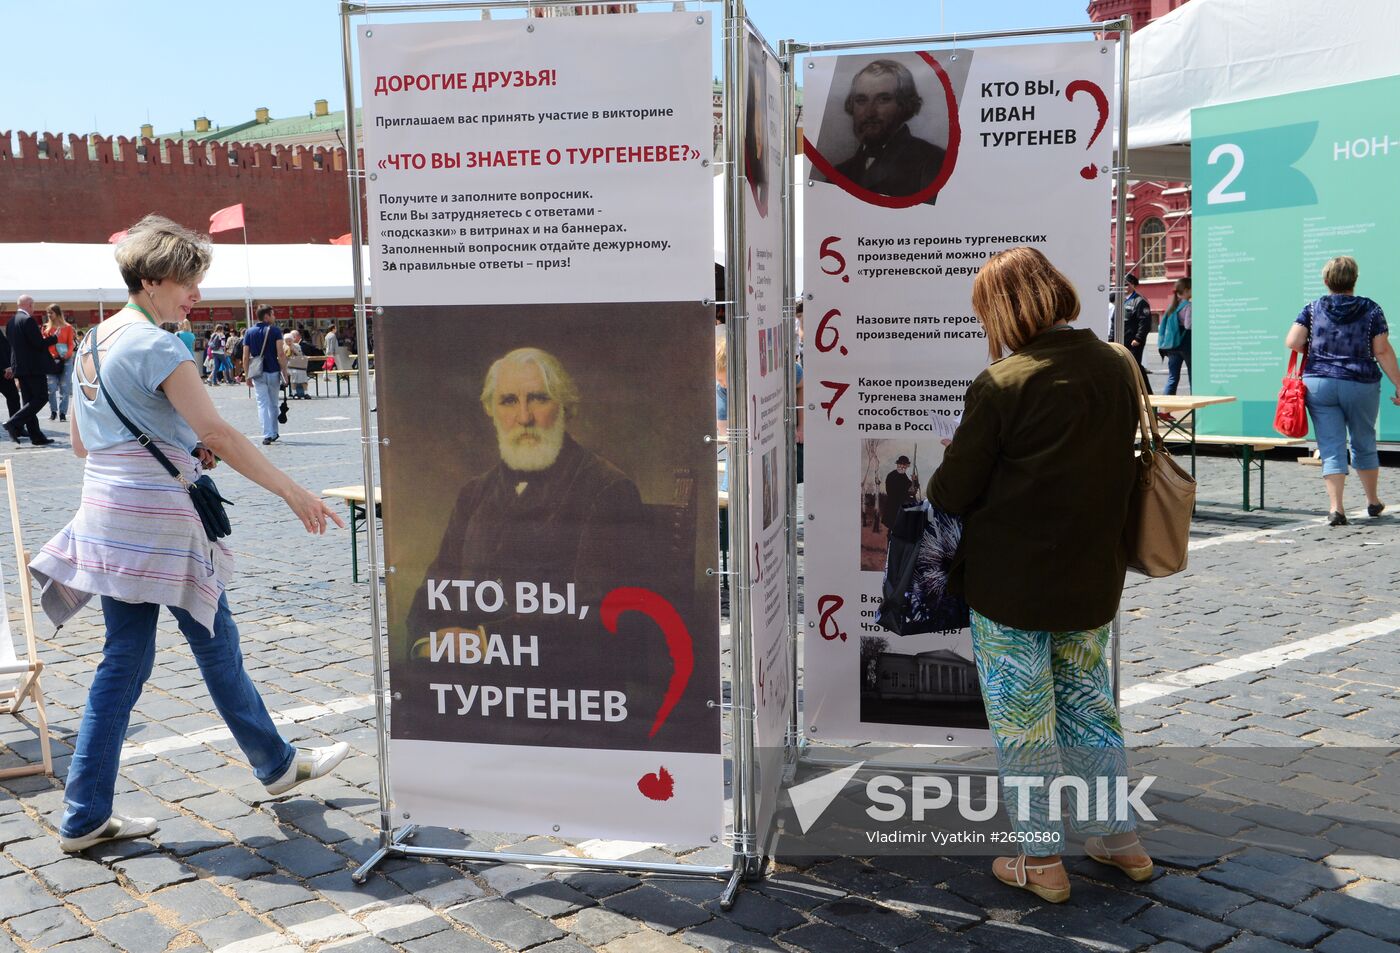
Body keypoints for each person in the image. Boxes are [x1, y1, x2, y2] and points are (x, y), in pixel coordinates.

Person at [26, 215, 348, 853]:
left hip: (107, 516)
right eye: (186, 283)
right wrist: (293, 491)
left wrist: (168, 444)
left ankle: (86, 813)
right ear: (151, 281)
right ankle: (276, 764)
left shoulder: (92, 340)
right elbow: (218, 433)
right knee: (209, 642)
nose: (196, 295)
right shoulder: (158, 346)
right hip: (158, 521)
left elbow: (84, 446)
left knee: (131, 657)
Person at [927, 247, 1151, 903]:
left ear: (1003, 311)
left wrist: (955, 455)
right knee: (1090, 706)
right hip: (1092, 575)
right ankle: (1121, 841)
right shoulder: (1118, 364)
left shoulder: (1003, 382)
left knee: (1023, 719)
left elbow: (951, 490)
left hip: (1012, 585)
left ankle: (1041, 860)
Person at [405, 347, 644, 652]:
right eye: (508, 401)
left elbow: (599, 609)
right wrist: (425, 644)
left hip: (556, 672)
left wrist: (486, 642)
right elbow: (434, 590)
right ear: (490, 410)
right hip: (466, 672)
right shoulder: (473, 494)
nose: (524, 417)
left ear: (565, 406)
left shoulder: (607, 489)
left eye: (539, 398)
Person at [1285, 256, 1400, 526]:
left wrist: (1315, 350)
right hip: (1360, 383)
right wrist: (1398, 382)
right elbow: (1382, 350)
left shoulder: (1312, 308)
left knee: (1330, 444)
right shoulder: (1371, 309)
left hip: (1320, 384)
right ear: (1354, 280)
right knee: (1363, 439)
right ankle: (1372, 501)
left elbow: (1293, 341)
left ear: (1326, 280)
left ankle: (1336, 508)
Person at [832, 59, 946, 202]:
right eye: (861, 100)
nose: (870, 112)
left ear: (904, 105)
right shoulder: (839, 173)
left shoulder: (934, 163)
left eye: (883, 99)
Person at [5, 295, 59, 445]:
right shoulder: (28, 320)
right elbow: (38, 344)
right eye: (33, 305)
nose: (34, 307)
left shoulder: (11, 322)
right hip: (33, 368)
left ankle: (36, 436)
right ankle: (13, 422)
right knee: (41, 398)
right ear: (29, 304)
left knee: (29, 402)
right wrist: (54, 338)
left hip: (20, 368)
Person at [243, 306, 288, 445]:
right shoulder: (275, 331)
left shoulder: (249, 332)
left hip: (257, 372)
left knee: (262, 404)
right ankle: (274, 432)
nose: (274, 317)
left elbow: (245, 356)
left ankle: (267, 434)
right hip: (273, 370)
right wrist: (285, 372)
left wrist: (247, 375)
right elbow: (281, 353)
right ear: (267, 316)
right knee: (273, 404)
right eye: (273, 314)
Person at [1158, 278, 1192, 396]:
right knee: (1192, 375)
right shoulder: (1188, 306)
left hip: (1172, 346)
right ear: (1186, 290)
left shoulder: (1172, 306)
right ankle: (1195, 403)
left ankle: (1165, 406)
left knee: (1172, 377)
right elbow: (1188, 325)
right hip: (1186, 345)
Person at [1122, 274, 1153, 395]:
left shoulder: (1140, 301)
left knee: (1135, 366)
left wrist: (1138, 338)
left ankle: (1147, 393)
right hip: (1123, 339)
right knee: (1129, 367)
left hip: (1133, 341)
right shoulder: (1122, 300)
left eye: (1127, 284)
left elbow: (1144, 322)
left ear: (1133, 285)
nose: (1124, 287)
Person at [44, 305, 76, 422]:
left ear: (57, 313)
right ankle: (53, 411)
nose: (49, 315)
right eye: (47, 313)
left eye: (51, 313)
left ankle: (62, 413)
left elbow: (71, 343)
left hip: (66, 360)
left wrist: (67, 354)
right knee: (51, 388)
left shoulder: (68, 327)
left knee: (65, 388)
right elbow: (44, 344)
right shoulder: (46, 328)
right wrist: (50, 355)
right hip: (50, 361)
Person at [881, 455, 913, 534]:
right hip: (893, 507)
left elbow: (911, 486)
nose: (902, 467)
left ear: (906, 466)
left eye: (904, 465)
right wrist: (907, 492)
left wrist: (915, 481)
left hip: (901, 508)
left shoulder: (904, 476)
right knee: (892, 530)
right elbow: (891, 492)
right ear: (898, 465)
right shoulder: (891, 476)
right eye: (901, 464)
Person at [0, 323, 20, 421]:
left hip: (4, 369)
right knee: (13, 397)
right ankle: (15, 425)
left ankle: (16, 425)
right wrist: (6, 366)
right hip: (3, 370)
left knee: (13, 397)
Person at [286, 329, 309, 399]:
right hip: (289, 365)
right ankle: (294, 393)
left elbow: (300, 354)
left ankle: (306, 393)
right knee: (294, 373)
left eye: (290, 339)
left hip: (298, 365)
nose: (289, 341)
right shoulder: (284, 346)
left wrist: (294, 349)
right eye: (287, 340)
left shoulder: (297, 345)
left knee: (303, 373)